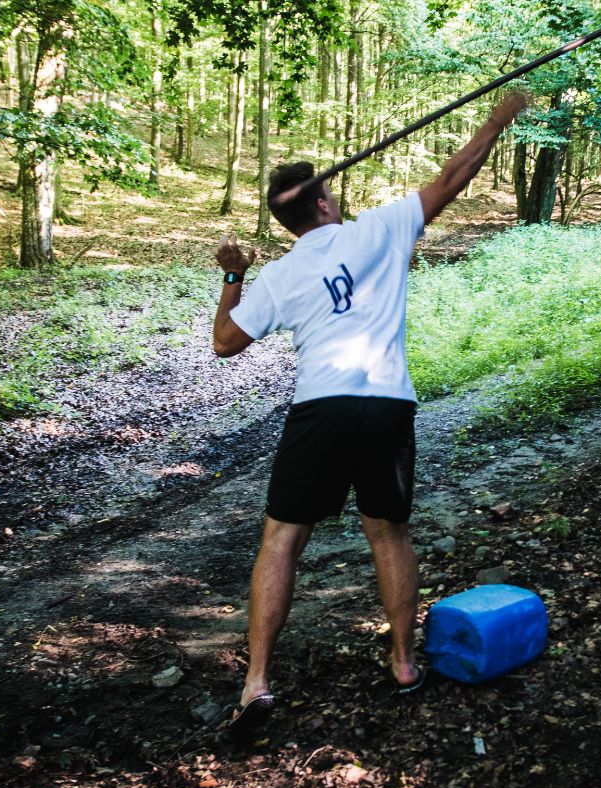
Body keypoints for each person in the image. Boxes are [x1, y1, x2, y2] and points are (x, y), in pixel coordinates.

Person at [211, 93, 528, 731]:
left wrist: (233, 275)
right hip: (385, 405)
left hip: (321, 409)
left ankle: (257, 681)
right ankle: (404, 662)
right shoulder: (378, 229)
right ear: (323, 203)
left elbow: (224, 344)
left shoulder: (277, 275)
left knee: (282, 539)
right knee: (388, 533)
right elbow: (451, 178)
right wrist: (496, 120)